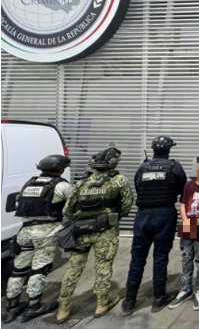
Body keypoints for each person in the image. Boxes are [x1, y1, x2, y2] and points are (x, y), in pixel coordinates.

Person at [56, 147, 134, 323]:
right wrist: (113, 217)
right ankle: (101, 303)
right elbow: (127, 204)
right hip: (106, 231)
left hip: (81, 232)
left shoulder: (81, 183)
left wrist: (82, 219)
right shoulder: (118, 181)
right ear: (112, 164)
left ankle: (63, 307)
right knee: (103, 265)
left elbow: (67, 210)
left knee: (74, 267)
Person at [122, 136, 187, 316]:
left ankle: (129, 301)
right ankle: (158, 297)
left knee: (137, 258)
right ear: (169, 149)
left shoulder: (142, 167)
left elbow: (138, 187)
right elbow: (182, 189)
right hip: (164, 214)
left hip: (142, 215)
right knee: (160, 256)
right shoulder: (174, 167)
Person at [4, 155, 72, 324]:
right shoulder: (61, 185)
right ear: (60, 169)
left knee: (18, 270)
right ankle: (34, 306)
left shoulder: (29, 184)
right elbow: (72, 205)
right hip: (46, 231)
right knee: (39, 269)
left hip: (25, 231)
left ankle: (12, 307)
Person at [169, 157, 199, 311]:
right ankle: (185, 289)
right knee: (186, 258)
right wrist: (186, 222)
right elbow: (183, 204)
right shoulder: (188, 185)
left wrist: (197, 222)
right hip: (187, 224)